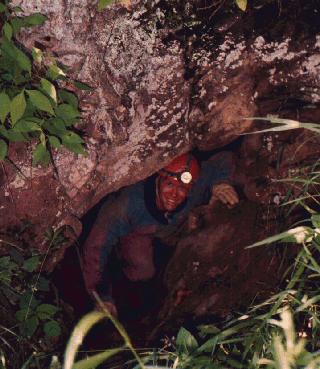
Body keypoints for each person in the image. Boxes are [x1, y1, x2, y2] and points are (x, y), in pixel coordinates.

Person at [81, 151, 239, 317]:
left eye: (182, 188)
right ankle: (121, 268)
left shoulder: (196, 186)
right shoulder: (126, 205)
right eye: (169, 184)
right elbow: (95, 249)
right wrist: (101, 296)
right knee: (143, 271)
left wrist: (221, 182)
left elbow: (224, 157)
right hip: (138, 230)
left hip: (172, 229)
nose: (174, 194)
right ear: (159, 178)